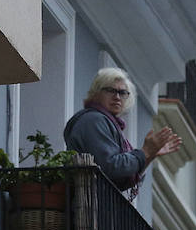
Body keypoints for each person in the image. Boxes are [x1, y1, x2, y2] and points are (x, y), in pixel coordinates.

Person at [63, 69, 181, 198]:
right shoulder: (94, 119)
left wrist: (149, 156)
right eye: (110, 90)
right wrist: (145, 152)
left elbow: (120, 181)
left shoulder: (107, 122)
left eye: (122, 93)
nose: (117, 97)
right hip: (87, 205)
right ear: (95, 93)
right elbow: (110, 166)